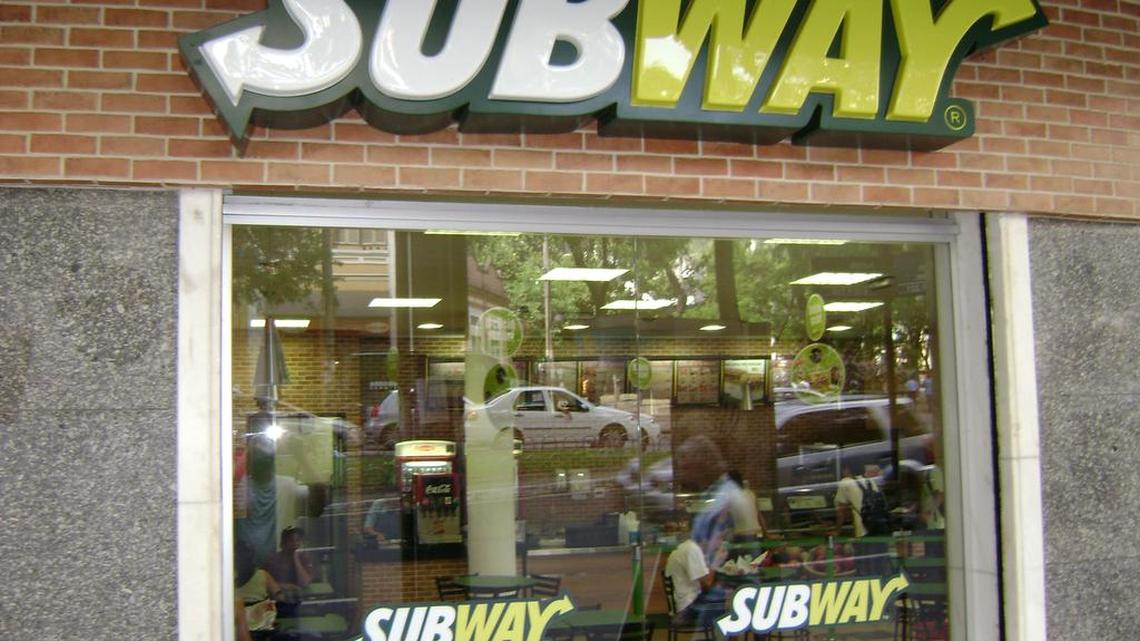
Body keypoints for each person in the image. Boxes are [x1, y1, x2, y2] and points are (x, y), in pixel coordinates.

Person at [665, 519, 729, 628]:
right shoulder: (692, 550)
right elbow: (707, 584)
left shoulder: (690, 546)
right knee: (731, 604)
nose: (721, 543)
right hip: (687, 608)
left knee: (726, 596)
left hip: (688, 602)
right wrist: (716, 561)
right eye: (719, 538)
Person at [833, 464, 887, 575]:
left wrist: (837, 530)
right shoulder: (869, 481)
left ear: (847, 469)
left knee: (863, 565)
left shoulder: (845, 482)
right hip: (879, 529)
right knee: (878, 564)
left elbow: (841, 510)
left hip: (863, 530)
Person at [262, 527, 314, 618]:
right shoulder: (273, 559)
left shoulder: (303, 557)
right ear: (283, 543)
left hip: (298, 600)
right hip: (277, 601)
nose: (295, 544)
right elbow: (264, 582)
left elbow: (305, 583)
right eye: (291, 541)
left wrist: (295, 558)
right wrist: (287, 586)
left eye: (298, 540)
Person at [725, 470, 768, 541]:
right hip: (757, 534)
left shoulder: (729, 496)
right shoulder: (751, 493)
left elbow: (726, 519)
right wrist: (766, 534)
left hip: (740, 535)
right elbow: (760, 516)